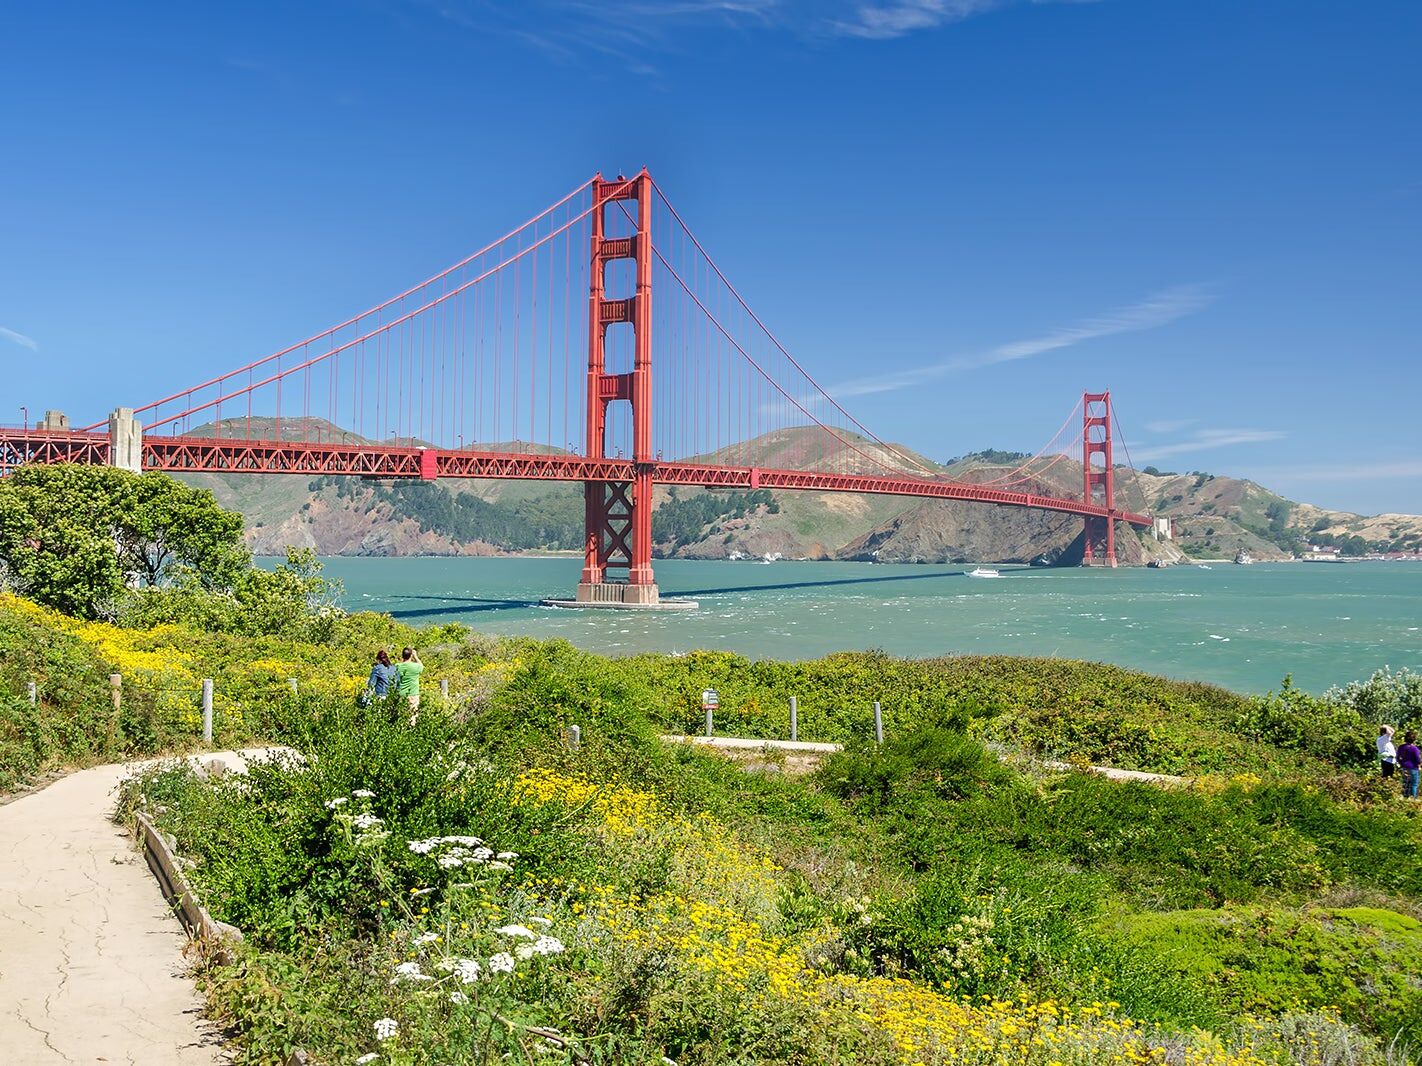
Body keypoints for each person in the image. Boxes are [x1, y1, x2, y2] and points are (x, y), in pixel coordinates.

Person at [396, 646, 424, 720]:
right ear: (411, 655)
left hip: (402, 693)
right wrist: (416, 656)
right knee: (413, 716)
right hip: (413, 694)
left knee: (401, 716)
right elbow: (421, 666)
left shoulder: (398, 666)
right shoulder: (416, 666)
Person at [1398, 730, 1421, 800]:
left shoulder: (1401, 747)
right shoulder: (1414, 748)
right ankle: (1413, 798)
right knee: (1414, 784)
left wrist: (1401, 763)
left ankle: (1405, 796)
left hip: (1404, 767)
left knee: (1405, 783)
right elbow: (1418, 759)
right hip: (1413, 767)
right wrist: (1419, 764)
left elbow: (1397, 757)